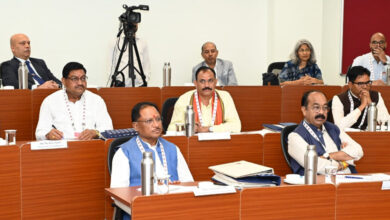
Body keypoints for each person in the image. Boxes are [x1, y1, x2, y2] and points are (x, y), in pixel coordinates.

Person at [111, 102, 193, 219]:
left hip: (174, 209)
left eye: (158, 119)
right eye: (149, 121)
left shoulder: (173, 149)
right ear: (135, 126)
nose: (156, 125)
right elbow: (117, 194)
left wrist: (180, 186)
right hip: (142, 211)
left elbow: (189, 183)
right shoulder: (124, 153)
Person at [288, 90, 363, 175]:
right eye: (316, 107)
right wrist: (344, 161)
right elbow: (316, 166)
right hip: (319, 185)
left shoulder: (333, 128)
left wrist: (329, 156)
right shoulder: (295, 137)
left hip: (348, 179)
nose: (321, 112)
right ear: (304, 110)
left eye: (325, 108)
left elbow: (358, 151)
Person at [35, 62, 113, 140]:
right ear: (63, 81)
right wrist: (48, 134)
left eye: (83, 78)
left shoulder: (96, 100)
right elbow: (40, 132)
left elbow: (108, 129)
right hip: (62, 149)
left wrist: (96, 133)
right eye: (74, 79)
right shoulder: (50, 101)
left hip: (90, 147)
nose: (80, 83)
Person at [169, 66, 241, 133]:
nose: (207, 85)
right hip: (193, 144)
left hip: (219, 143)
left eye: (210, 81)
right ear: (195, 83)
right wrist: (187, 127)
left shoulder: (225, 97)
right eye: (202, 81)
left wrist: (209, 129)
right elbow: (171, 129)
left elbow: (236, 126)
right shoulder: (184, 99)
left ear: (216, 82)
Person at [331, 66, 390, 130]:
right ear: (350, 84)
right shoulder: (339, 99)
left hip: (369, 136)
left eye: (367, 83)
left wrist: (371, 104)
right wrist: (362, 106)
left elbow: (386, 122)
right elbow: (339, 126)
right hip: (346, 137)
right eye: (360, 83)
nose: (365, 87)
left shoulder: (376, 96)